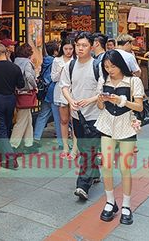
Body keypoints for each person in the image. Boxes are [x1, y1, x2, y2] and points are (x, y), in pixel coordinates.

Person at [95, 50, 145, 225]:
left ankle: (126, 205)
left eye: (113, 66)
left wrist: (121, 101)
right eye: (106, 67)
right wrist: (101, 100)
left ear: (121, 65)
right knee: (106, 165)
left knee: (124, 167)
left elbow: (139, 107)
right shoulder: (104, 81)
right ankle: (110, 202)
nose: (110, 70)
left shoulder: (133, 81)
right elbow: (100, 107)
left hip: (126, 126)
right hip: (107, 125)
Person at [60, 32, 102, 201]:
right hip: (77, 115)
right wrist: (71, 101)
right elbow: (64, 86)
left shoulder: (98, 66)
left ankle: (82, 185)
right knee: (87, 148)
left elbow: (103, 91)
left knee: (87, 150)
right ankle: (95, 173)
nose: (80, 48)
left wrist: (89, 100)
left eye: (84, 45)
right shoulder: (70, 66)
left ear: (92, 47)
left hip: (95, 115)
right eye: (78, 45)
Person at [0, 42, 25, 168]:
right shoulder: (15, 67)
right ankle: (1, 152)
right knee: (7, 126)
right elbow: (21, 85)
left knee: (1, 129)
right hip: (11, 98)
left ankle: (10, 157)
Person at [33, 42, 62, 150]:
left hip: (45, 92)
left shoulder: (44, 60)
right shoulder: (55, 62)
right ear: (55, 51)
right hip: (54, 91)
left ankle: (36, 137)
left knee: (43, 115)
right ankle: (61, 142)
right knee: (58, 118)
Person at [53, 39, 77, 159]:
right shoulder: (57, 60)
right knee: (64, 120)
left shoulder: (77, 60)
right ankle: (65, 146)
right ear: (62, 48)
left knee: (75, 121)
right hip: (61, 92)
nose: (68, 51)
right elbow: (53, 78)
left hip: (75, 92)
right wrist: (61, 70)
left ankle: (75, 147)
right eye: (66, 49)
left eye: (70, 49)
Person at [11, 43, 38, 153]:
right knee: (22, 120)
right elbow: (29, 76)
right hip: (26, 93)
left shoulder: (15, 61)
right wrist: (35, 86)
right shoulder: (27, 63)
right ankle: (13, 145)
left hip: (17, 92)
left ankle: (28, 143)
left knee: (28, 119)